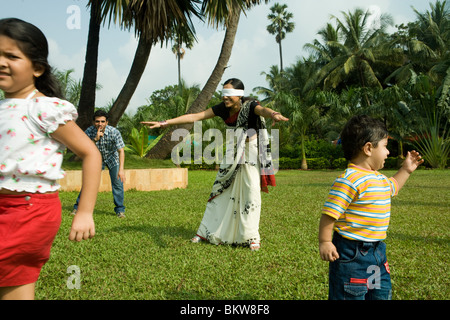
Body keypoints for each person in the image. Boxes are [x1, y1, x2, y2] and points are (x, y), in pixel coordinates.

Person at [0, 18, 102, 300]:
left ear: (37, 68)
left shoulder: (43, 108)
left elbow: (90, 153)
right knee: (14, 286)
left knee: (13, 278)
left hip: (29, 210)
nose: (1, 62)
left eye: (11, 56)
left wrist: (84, 212)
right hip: (6, 207)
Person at [142, 78, 288, 251]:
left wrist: (273, 114)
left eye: (229, 94)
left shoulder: (250, 105)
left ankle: (251, 236)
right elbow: (195, 116)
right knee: (220, 190)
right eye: (223, 93)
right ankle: (205, 232)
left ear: (239, 95)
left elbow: (262, 110)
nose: (225, 97)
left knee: (251, 192)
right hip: (233, 151)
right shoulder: (221, 108)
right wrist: (164, 123)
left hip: (251, 151)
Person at [318, 115, 424, 300]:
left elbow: (394, 186)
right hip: (351, 255)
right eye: (384, 146)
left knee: (380, 294)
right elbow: (329, 215)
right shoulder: (349, 180)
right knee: (350, 295)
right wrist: (325, 242)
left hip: (378, 254)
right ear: (368, 148)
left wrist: (406, 170)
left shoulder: (379, 178)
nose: (388, 152)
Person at [72, 110, 126, 218]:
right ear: (93, 122)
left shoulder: (114, 132)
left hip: (112, 158)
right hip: (96, 158)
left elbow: (121, 151)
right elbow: (83, 149)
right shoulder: (89, 131)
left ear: (107, 122)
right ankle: (77, 208)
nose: (100, 124)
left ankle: (120, 210)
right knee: (89, 183)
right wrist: (95, 139)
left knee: (117, 184)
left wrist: (121, 170)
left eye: (102, 121)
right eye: (97, 121)